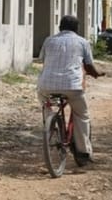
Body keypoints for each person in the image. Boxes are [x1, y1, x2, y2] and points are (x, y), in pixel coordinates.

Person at [37, 15, 103, 163]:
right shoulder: (82, 42)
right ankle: (83, 151)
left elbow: (43, 59)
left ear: (60, 27)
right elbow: (89, 66)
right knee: (82, 115)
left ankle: (50, 121)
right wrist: (97, 74)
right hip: (72, 86)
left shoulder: (49, 40)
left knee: (44, 101)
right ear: (77, 28)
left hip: (46, 85)